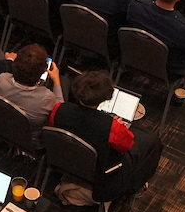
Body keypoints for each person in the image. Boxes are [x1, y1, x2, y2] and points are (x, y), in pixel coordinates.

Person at [47, 66, 163, 200]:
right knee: (152, 142)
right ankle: (136, 186)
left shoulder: (58, 109)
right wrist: (119, 126)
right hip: (99, 172)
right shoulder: (112, 127)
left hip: (65, 160)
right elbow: (126, 146)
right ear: (105, 98)